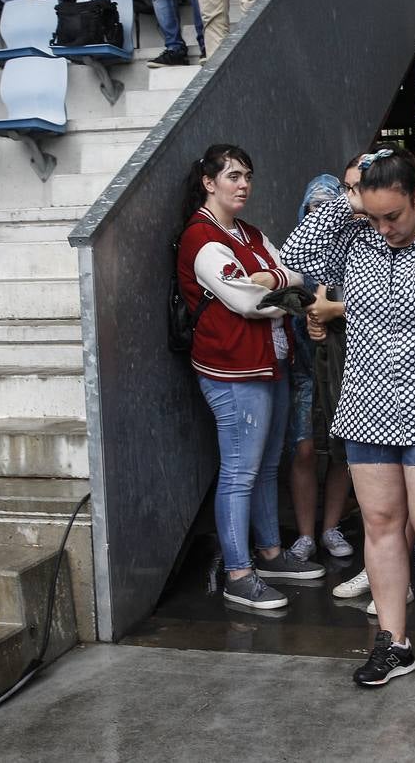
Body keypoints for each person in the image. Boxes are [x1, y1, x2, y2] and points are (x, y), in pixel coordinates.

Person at [282, 145, 415, 687]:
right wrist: (344, 200)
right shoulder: (355, 242)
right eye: (373, 216)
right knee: (380, 525)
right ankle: (394, 643)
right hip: (371, 403)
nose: (384, 228)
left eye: (394, 215)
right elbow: (297, 256)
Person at [176, 145, 325, 612]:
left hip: (270, 363)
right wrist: (270, 285)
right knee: (240, 472)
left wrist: (268, 278)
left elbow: (297, 273)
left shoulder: (250, 232)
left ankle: (270, 555)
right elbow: (246, 302)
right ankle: (239, 574)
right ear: (209, 182)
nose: (243, 184)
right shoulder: (201, 238)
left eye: (248, 176)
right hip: (232, 370)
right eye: (233, 176)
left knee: (264, 468)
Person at [285, 175, 354, 563]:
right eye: (314, 207)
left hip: (343, 364)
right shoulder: (297, 249)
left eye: (330, 206)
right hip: (303, 366)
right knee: (305, 448)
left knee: (343, 451)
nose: (321, 214)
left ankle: (330, 527)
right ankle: (306, 534)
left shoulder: (352, 249)